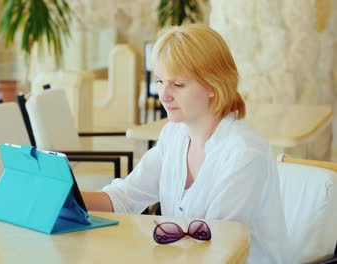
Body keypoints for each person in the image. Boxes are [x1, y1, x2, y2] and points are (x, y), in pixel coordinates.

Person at [82, 24, 293, 263]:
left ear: (214, 85)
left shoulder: (244, 154)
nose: (163, 95)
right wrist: (66, 199)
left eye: (178, 84)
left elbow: (215, 246)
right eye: (160, 81)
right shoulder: (174, 135)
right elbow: (125, 197)